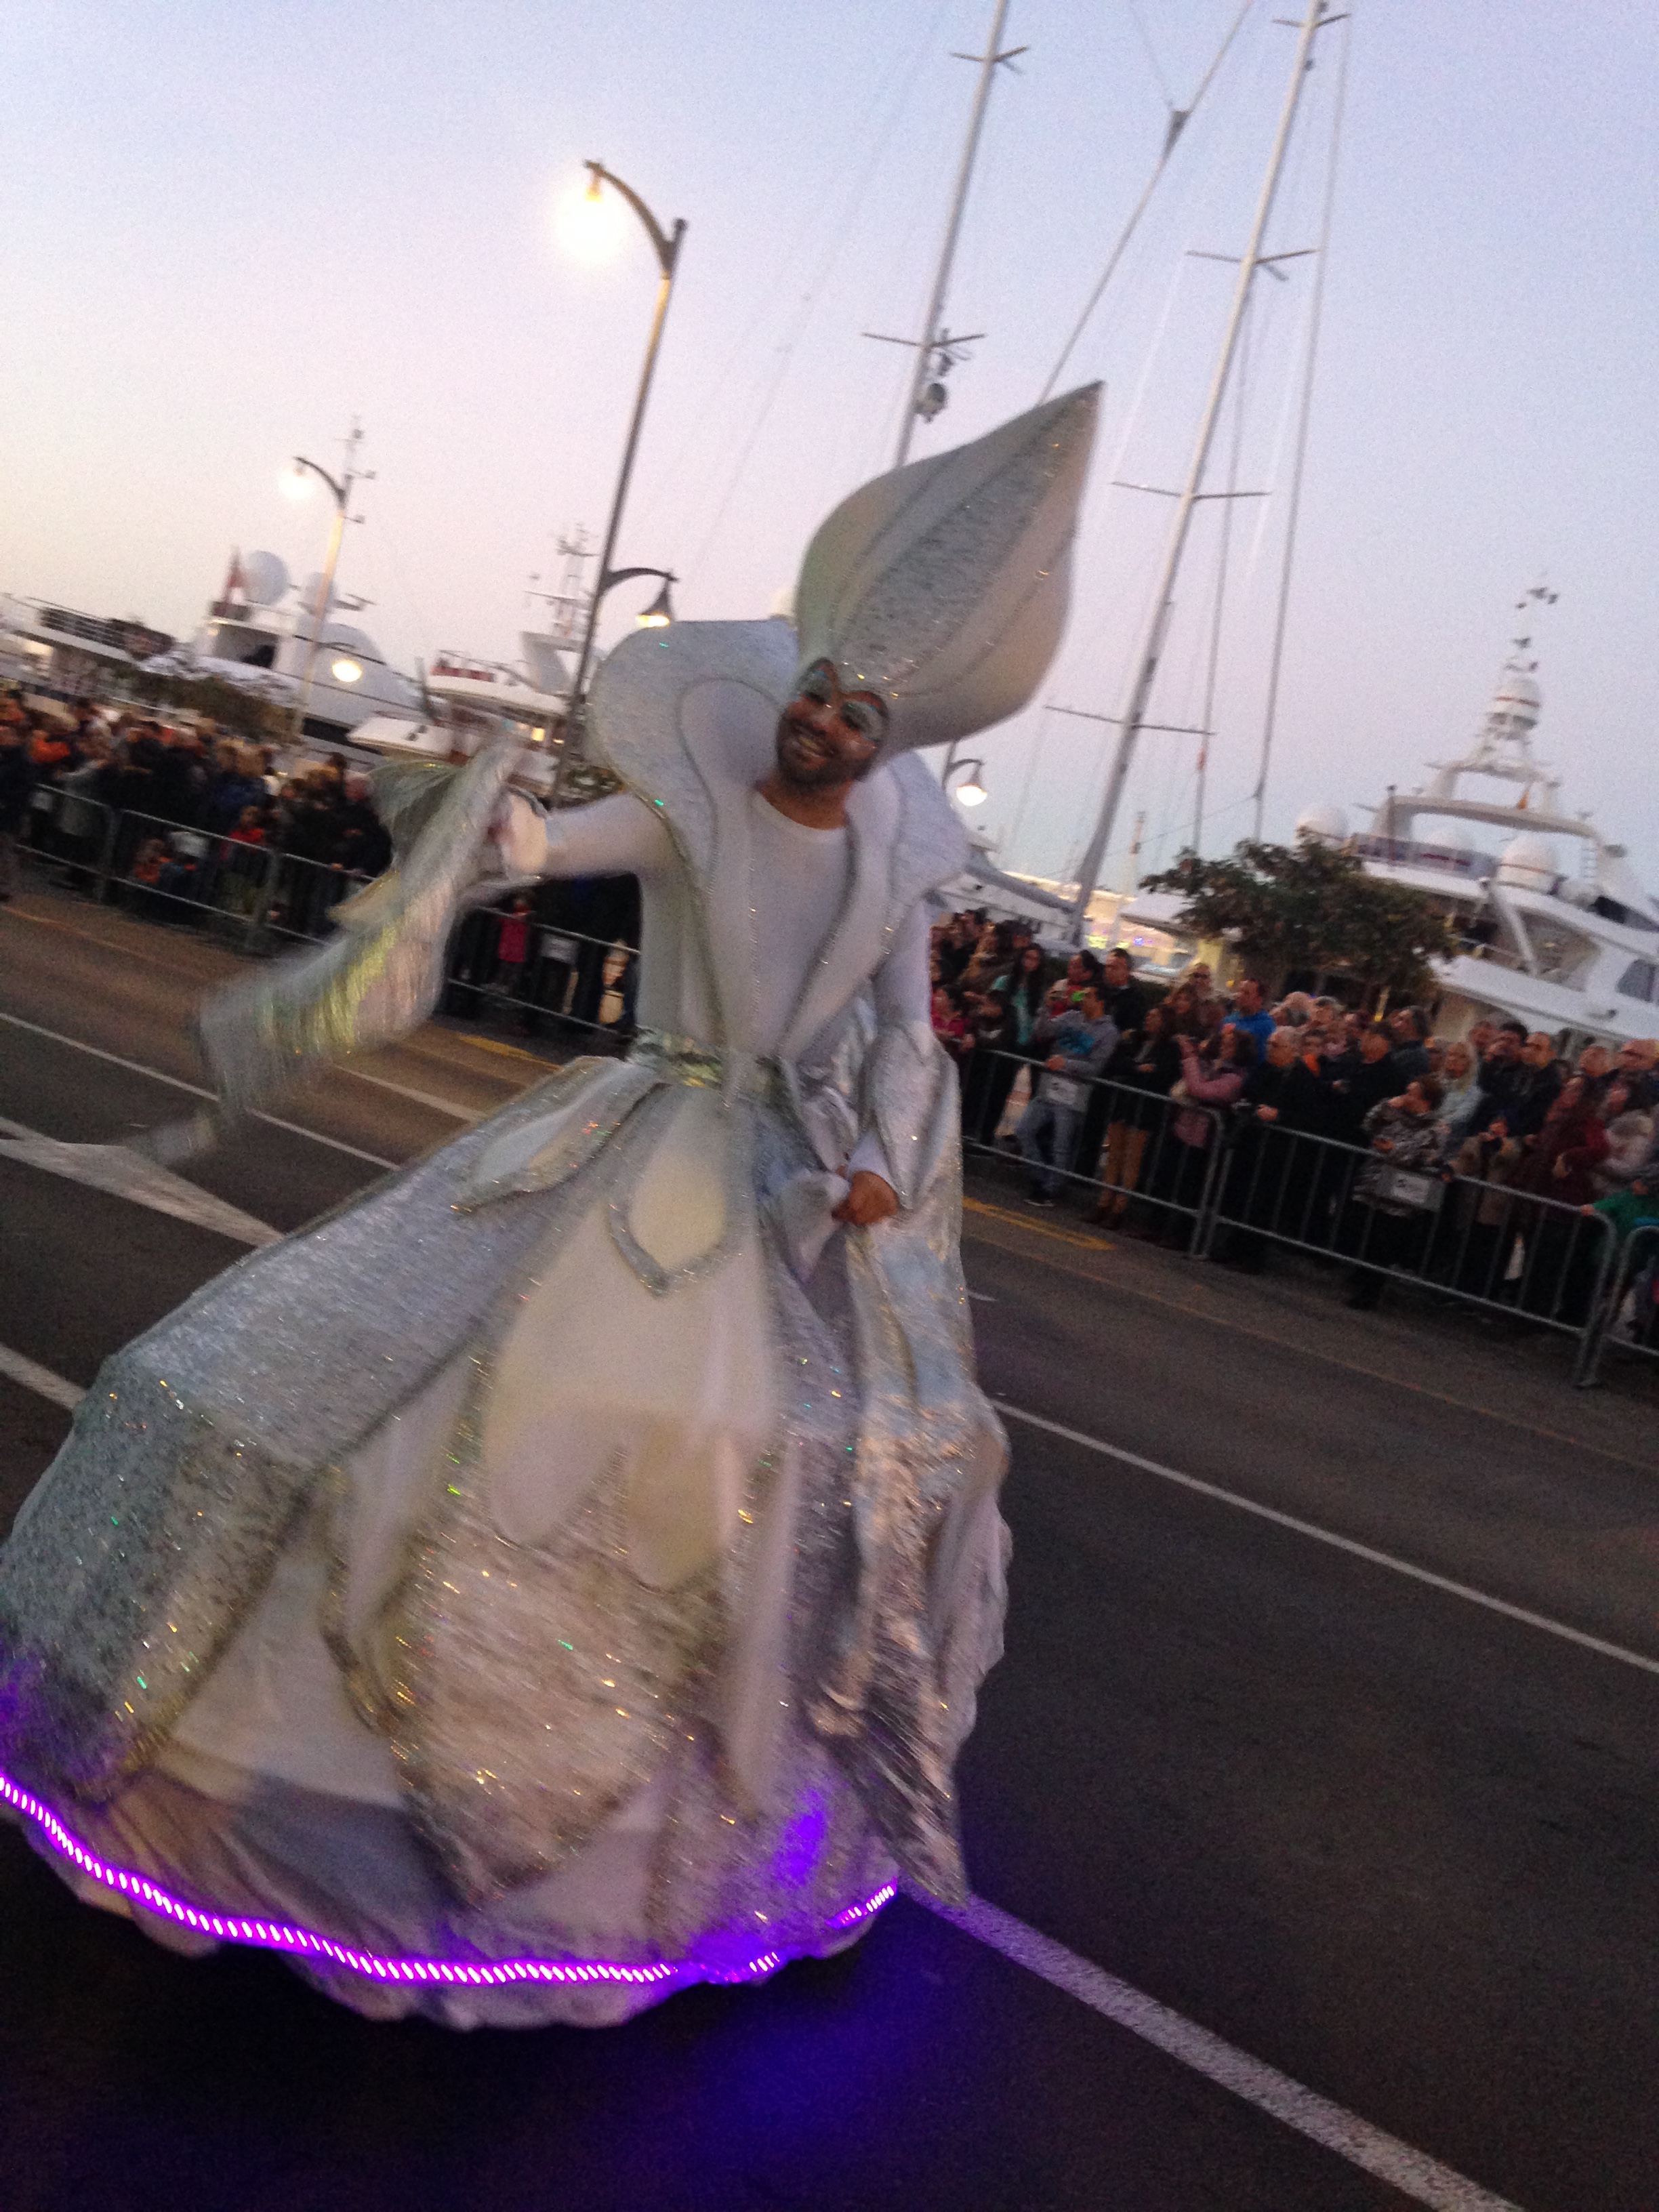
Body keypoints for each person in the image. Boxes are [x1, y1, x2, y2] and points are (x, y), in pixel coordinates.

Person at [0, 386, 1101, 2028]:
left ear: (891, 742)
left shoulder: (895, 870)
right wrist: (493, 825)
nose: (820, 726)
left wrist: (880, 1157)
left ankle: (668, 1845)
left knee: (777, 1466)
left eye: (856, 714)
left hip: (790, 1194)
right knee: (440, 1413)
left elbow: (901, 1038)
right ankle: (309, 1791)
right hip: (640, 1140)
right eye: (813, 693)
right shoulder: (692, 803)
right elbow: (555, 843)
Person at [1343, 1076, 1450, 1309]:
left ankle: (1371, 1292)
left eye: (1412, 1093)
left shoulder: (1436, 1128)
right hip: (1373, 1181)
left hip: (1399, 1193)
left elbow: (1424, 1156)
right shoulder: (1395, 1113)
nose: (1406, 1097)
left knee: (1384, 1243)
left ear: (1425, 1101)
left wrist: (1393, 1150)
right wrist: (1385, 1107)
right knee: (1363, 1233)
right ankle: (1359, 1276)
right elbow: (1368, 1125)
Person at [1017, 981, 1118, 1206]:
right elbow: (1043, 1031)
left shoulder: (1109, 1032)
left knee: (1061, 1145)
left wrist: (1066, 1064)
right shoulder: (1071, 1017)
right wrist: (1046, 1008)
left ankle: (1052, 1189)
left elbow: (1095, 1067)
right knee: (1024, 1130)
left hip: (1074, 1093)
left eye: (1088, 996)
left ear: (1100, 1002)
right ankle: (1040, 1177)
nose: (1082, 999)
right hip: (1049, 1086)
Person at [1222, 977, 1275, 1057]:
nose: (1240, 996)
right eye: (1240, 991)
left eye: (1246, 993)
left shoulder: (1266, 1026)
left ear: (1259, 1000)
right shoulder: (1228, 1020)